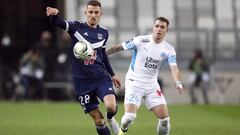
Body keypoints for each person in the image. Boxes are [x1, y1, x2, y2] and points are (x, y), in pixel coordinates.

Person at [46, 1, 121, 135]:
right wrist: (55, 15)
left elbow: (103, 55)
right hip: (82, 82)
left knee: (111, 106)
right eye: (90, 12)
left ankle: (111, 118)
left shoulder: (104, 33)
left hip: (100, 77)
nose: (93, 15)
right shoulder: (76, 27)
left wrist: (112, 74)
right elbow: (58, 23)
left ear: (100, 14)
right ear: (86, 13)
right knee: (98, 120)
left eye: (96, 12)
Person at [106, 17, 184, 135]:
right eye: (157, 26)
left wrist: (178, 82)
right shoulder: (140, 41)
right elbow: (117, 48)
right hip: (134, 82)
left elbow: (174, 68)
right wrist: (101, 55)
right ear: (153, 27)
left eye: (162, 27)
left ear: (167, 30)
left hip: (152, 84)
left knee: (165, 120)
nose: (159, 29)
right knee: (129, 117)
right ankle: (123, 129)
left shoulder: (169, 49)